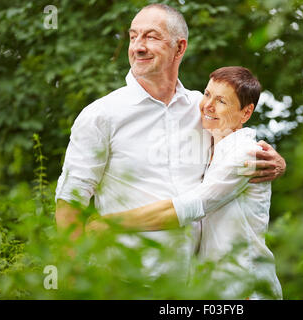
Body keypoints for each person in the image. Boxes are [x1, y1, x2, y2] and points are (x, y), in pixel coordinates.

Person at [55, 4, 285, 281]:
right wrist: (73, 278)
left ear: (179, 48)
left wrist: (275, 162)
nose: (138, 46)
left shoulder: (200, 108)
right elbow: (70, 201)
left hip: (197, 287)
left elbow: (233, 147)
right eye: (133, 36)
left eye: (151, 37)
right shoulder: (101, 115)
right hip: (126, 284)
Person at [86, 66, 283, 299]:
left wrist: (110, 223)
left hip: (247, 289)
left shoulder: (246, 154)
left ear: (246, 113)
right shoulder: (210, 144)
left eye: (221, 101)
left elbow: (190, 206)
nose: (207, 105)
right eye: (207, 94)